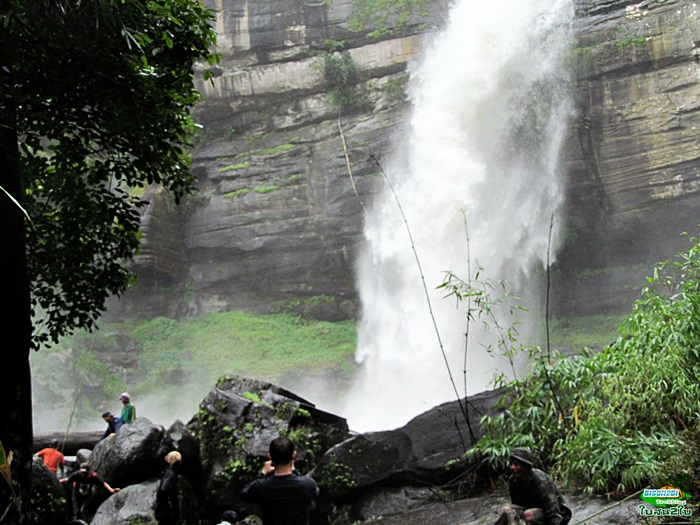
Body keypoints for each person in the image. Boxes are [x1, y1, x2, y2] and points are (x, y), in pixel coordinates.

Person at [240, 436, 319, 525]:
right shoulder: (307, 485)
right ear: (294, 455)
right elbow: (315, 491)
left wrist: (262, 473)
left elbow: (244, 494)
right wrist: (295, 471)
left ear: (269, 456)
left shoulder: (261, 486)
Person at [494, 448, 572, 525]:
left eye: (516, 464)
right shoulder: (513, 481)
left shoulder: (541, 481)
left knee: (529, 514)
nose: (512, 467)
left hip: (557, 515)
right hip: (529, 512)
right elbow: (517, 507)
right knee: (507, 510)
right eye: (511, 464)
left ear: (525, 466)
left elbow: (554, 514)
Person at [156, 450, 182, 525]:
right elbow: (163, 490)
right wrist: (170, 506)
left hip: (164, 512)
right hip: (167, 514)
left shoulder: (167, 472)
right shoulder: (171, 474)